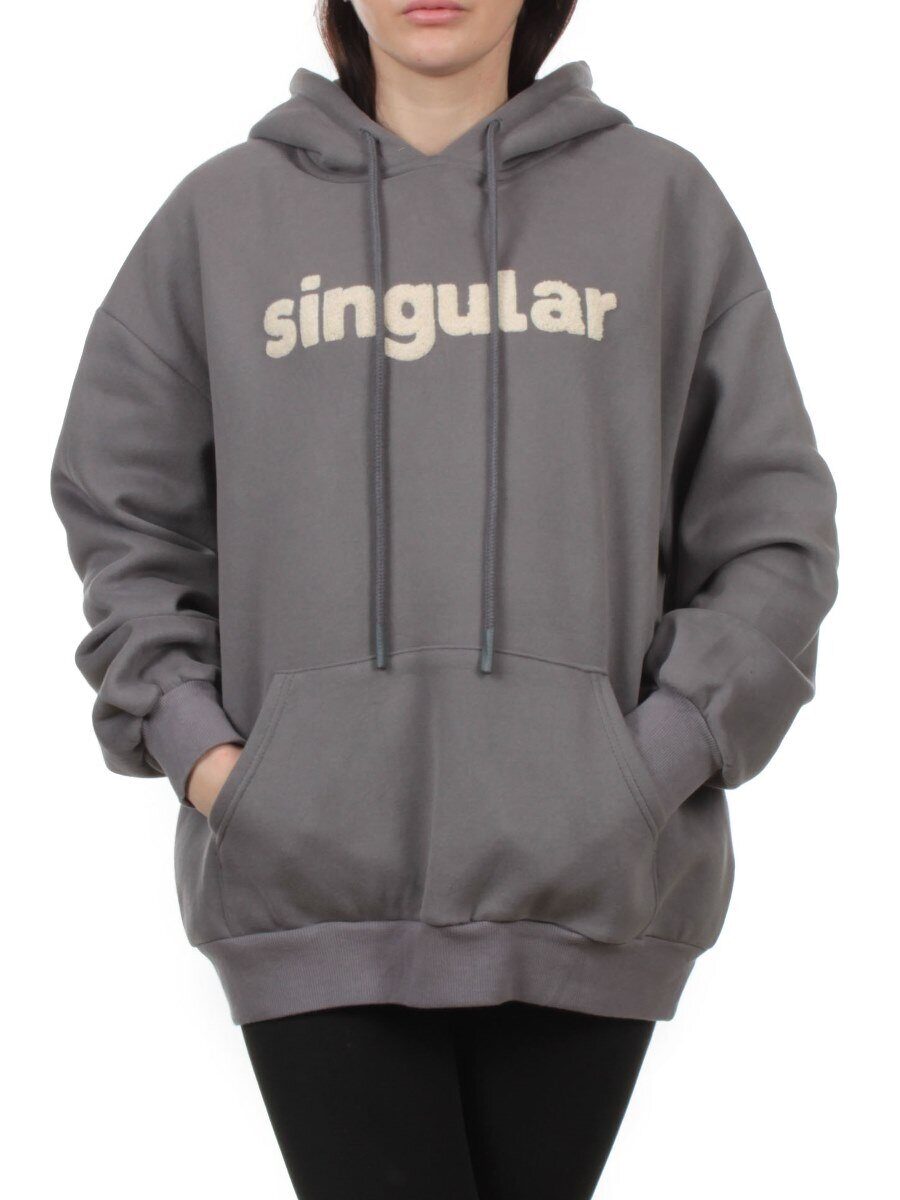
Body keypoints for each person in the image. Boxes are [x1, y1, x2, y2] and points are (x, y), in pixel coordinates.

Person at [49, 1, 840, 1196]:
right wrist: (212, 760)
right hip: (306, 885)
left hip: (588, 887)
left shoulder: (661, 206)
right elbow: (122, 512)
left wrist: (649, 768)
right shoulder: (219, 219)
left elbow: (773, 529)